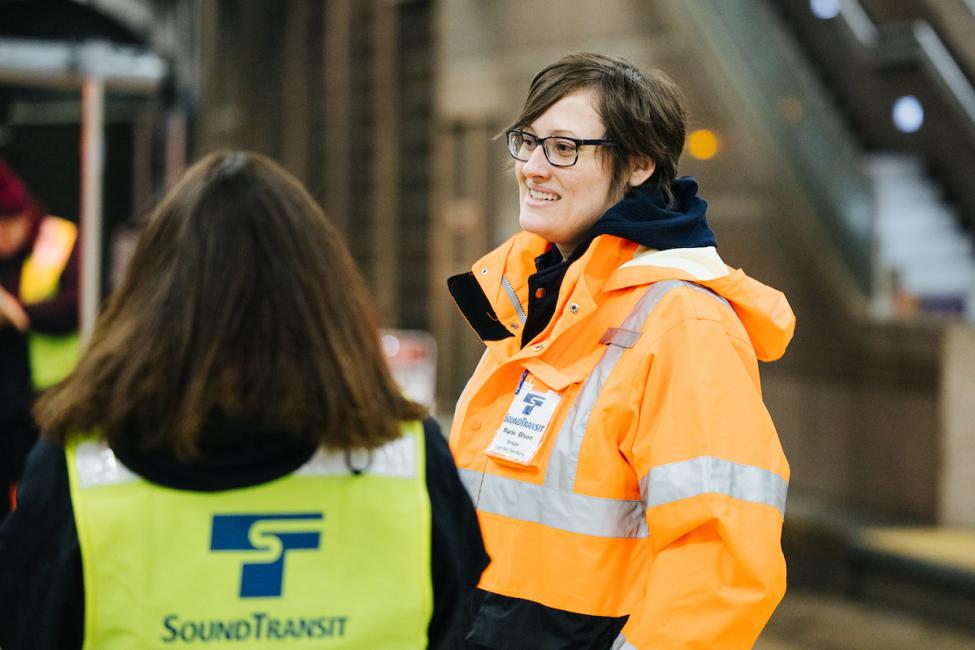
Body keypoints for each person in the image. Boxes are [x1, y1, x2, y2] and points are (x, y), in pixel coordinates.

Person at [0, 151, 488, 649]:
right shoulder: (409, 460)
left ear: (148, 301)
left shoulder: (78, 470)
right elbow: (462, 617)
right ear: (328, 302)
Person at [447, 53, 795, 648]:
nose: (532, 166)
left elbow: (723, 563)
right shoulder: (540, 299)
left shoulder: (684, 323)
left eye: (564, 148)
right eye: (527, 141)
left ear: (638, 164)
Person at [0, 158, 79, 522]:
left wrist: (20, 313)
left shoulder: (58, 241)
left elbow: (77, 306)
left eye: (7, 225)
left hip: (45, 401)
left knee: (40, 500)